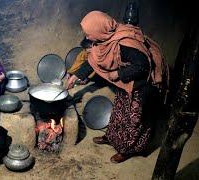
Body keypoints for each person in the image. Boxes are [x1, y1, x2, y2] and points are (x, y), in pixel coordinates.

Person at [66, 11, 166, 163]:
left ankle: (126, 150)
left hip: (142, 85)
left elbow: (143, 65)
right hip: (127, 84)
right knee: (119, 112)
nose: (86, 38)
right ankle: (111, 137)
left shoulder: (124, 43)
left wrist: (118, 73)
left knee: (134, 120)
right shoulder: (103, 41)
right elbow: (92, 60)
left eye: (88, 34)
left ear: (98, 30)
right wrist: (75, 76)